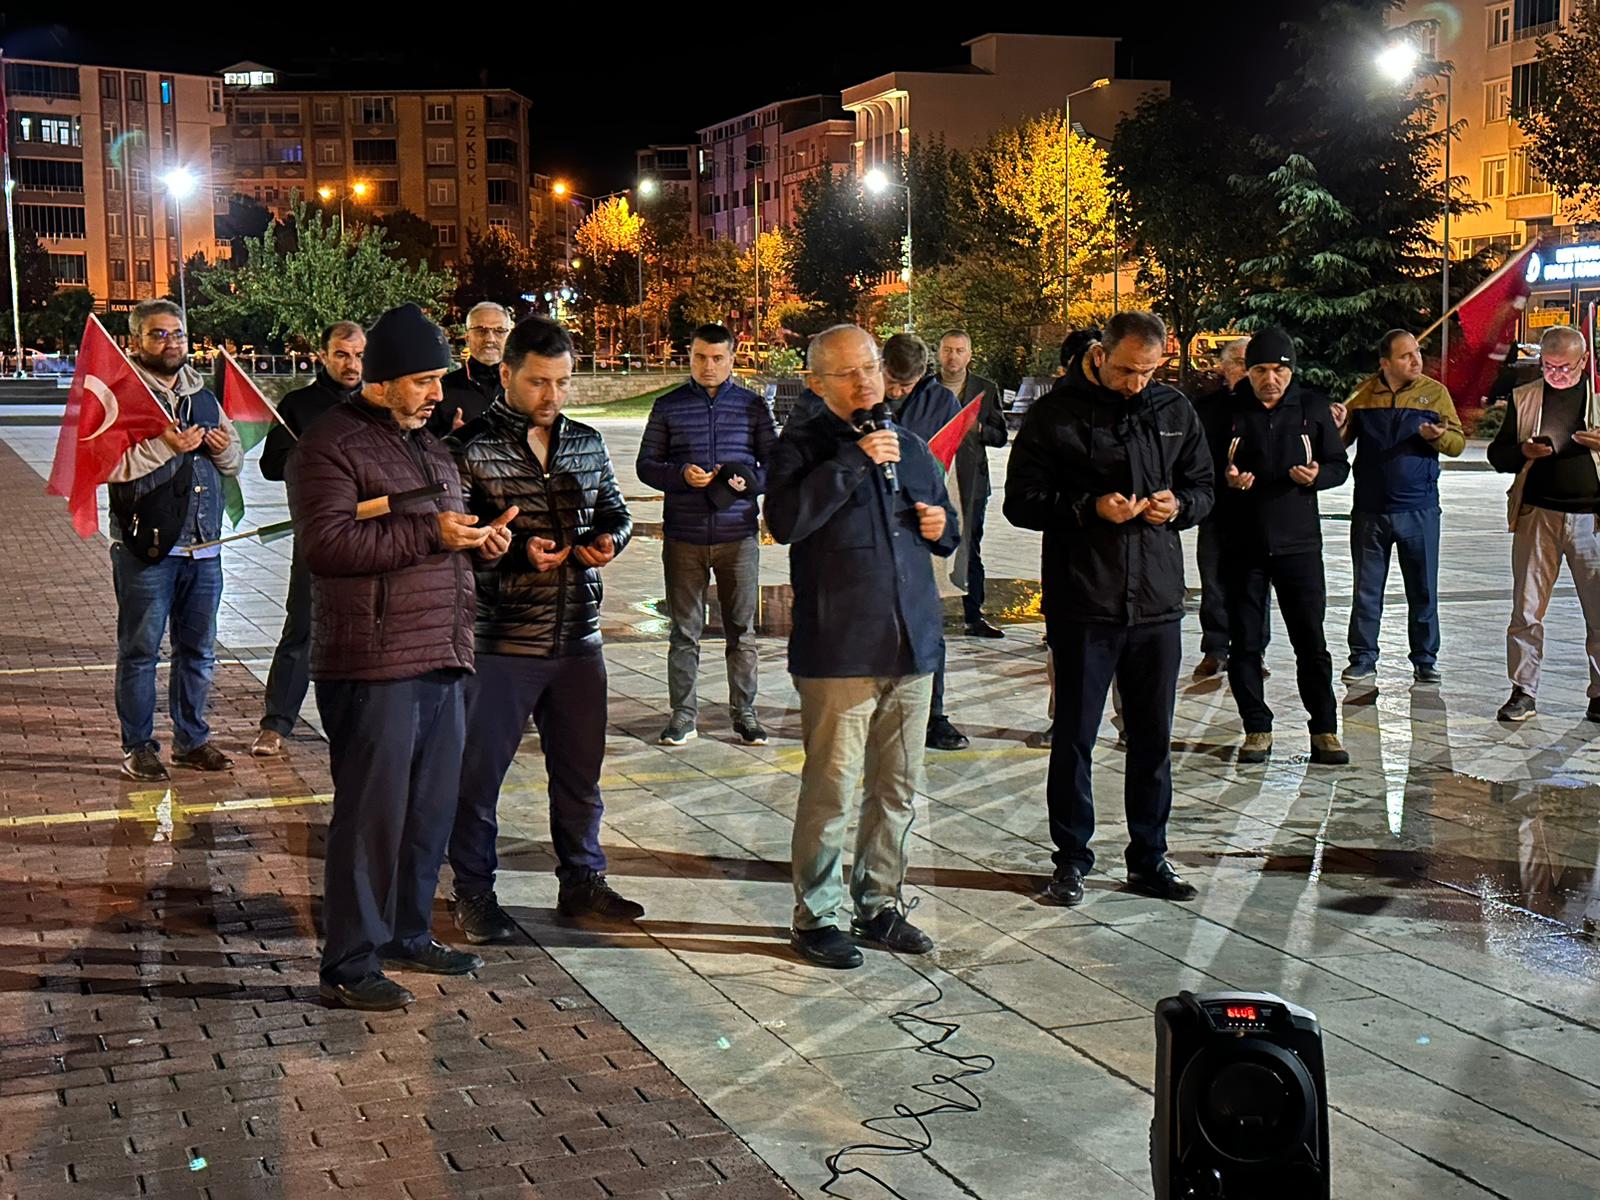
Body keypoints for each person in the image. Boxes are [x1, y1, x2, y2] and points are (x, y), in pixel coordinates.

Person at [288, 302, 500, 1011]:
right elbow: (328, 546)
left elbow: (440, 531)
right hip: (373, 662)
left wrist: (480, 543)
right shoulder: (330, 445)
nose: (438, 393)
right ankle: (349, 960)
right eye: (422, 380)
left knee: (430, 809)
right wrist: (434, 537)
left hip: (440, 651)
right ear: (379, 380)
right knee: (372, 815)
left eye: (439, 378)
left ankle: (410, 930)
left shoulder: (430, 445)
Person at [766, 324, 959, 969]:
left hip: (911, 645)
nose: (865, 382)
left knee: (898, 789)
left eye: (871, 368)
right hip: (840, 649)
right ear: (817, 384)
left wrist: (941, 527)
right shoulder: (802, 444)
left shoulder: (908, 444)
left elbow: (944, 524)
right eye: (847, 375)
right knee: (832, 790)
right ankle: (817, 916)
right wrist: (853, 461)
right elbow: (787, 522)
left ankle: (878, 902)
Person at [1005, 311, 1213, 906]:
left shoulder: (1173, 410)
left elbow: (1204, 486)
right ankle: (1071, 858)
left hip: (1157, 602)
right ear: (1099, 353)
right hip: (1083, 600)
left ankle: (1150, 857)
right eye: (1126, 371)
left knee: (1152, 739)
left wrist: (1182, 506)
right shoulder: (1055, 414)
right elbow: (1021, 501)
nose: (1136, 384)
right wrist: (1090, 508)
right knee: (1075, 736)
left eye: (1149, 371)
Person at [449, 316, 642, 939]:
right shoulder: (470, 447)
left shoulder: (585, 442)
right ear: (506, 375)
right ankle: (474, 893)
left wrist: (610, 538)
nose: (552, 396)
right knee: (478, 778)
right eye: (538, 382)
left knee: (580, 774)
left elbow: (616, 508)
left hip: (579, 636)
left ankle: (582, 879)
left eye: (562, 382)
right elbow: (452, 544)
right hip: (502, 639)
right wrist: (510, 552)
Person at [109, 299, 243, 782]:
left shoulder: (203, 397)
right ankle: (138, 747)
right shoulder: (122, 397)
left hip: (205, 549)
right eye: (158, 335)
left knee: (199, 652)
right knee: (142, 652)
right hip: (147, 550)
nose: (171, 343)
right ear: (135, 341)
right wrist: (164, 446)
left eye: (178, 334)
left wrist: (227, 451)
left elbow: (234, 465)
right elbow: (107, 467)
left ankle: (192, 740)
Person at [1204, 326, 1350, 765]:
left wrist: (1317, 476)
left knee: (1311, 642)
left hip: (1299, 544)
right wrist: (1227, 480)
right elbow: (1201, 470)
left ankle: (1324, 729)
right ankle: (1256, 728)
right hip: (1242, 544)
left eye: (1280, 371)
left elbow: (1338, 465)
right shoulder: (1225, 413)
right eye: (1262, 370)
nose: (1271, 380)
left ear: (1291, 371)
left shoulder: (1311, 408)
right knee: (1246, 643)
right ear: (1247, 372)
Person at [637, 323, 778, 747]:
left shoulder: (752, 407)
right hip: (684, 535)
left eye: (717, 358)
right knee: (684, 632)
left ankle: (746, 713)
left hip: (738, 536)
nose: (709, 366)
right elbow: (646, 465)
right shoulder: (668, 406)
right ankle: (682, 715)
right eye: (700, 357)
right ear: (690, 356)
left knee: (742, 631)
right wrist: (681, 474)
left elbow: (774, 466)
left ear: (733, 358)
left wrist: (746, 480)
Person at [251, 321, 366, 757]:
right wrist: (312, 454)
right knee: (303, 626)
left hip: (374, 534)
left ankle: (360, 723)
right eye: (342, 354)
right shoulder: (299, 406)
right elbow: (270, 464)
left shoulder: (378, 404)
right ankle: (276, 723)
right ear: (323, 356)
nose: (351, 364)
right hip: (319, 534)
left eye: (358, 355)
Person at [1338, 329, 1465, 686]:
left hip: (1419, 509)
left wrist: (1440, 437)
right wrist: (1336, 424)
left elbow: (1457, 442)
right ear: (1385, 363)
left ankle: (1425, 658)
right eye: (1406, 355)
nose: (1416, 360)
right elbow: (1339, 443)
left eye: (1417, 352)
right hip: (1370, 510)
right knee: (1366, 589)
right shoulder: (1364, 394)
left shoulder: (1434, 394)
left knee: (1423, 588)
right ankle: (1363, 657)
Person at [1487, 324, 1599, 723]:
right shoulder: (1526, 398)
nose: (1558, 375)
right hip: (1538, 513)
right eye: (1550, 367)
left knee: (1599, 611)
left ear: (1583, 362)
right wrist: (1522, 451)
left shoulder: (1597, 395)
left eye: (1566, 367)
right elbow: (1497, 455)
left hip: (1592, 519)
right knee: (1527, 609)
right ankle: (1523, 690)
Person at [881, 333, 967, 751]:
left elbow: (942, 463)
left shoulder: (941, 404)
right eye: (892, 383)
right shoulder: (864, 397)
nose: (896, 392)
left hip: (922, 522)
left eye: (906, 386)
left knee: (925, 620)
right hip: (874, 526)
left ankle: (933, 714)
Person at [937, 328, 1009, 639]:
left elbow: (1001, 435)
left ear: (969, 354)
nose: (953, 356)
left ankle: (973, 614)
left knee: (971, 548)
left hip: (970, 481)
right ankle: (925, 611)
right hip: (934, 478)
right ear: (939, 352)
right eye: (948, 350)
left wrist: (978, 428)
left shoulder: (985, 389)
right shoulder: (927, 387)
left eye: (959, 350)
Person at [1191, 337, 1249, 679]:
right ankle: (1215, 648)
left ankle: (1251, 649)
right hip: (1215, 505)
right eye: (1240, 362)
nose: (1246, 369)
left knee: (1252, 583)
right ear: (1226, 368)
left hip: (1256, 508)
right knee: (1213, 580)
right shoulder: (1208, 407)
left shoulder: (1268, 405)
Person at [427, 301, 510, 435]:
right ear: (467, 338)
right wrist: (452, 439)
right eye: (481, 331)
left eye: (499, 331)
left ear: (508, 338)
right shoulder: (441, 390)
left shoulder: (523, 387)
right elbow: (420, 447)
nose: (490, 338)